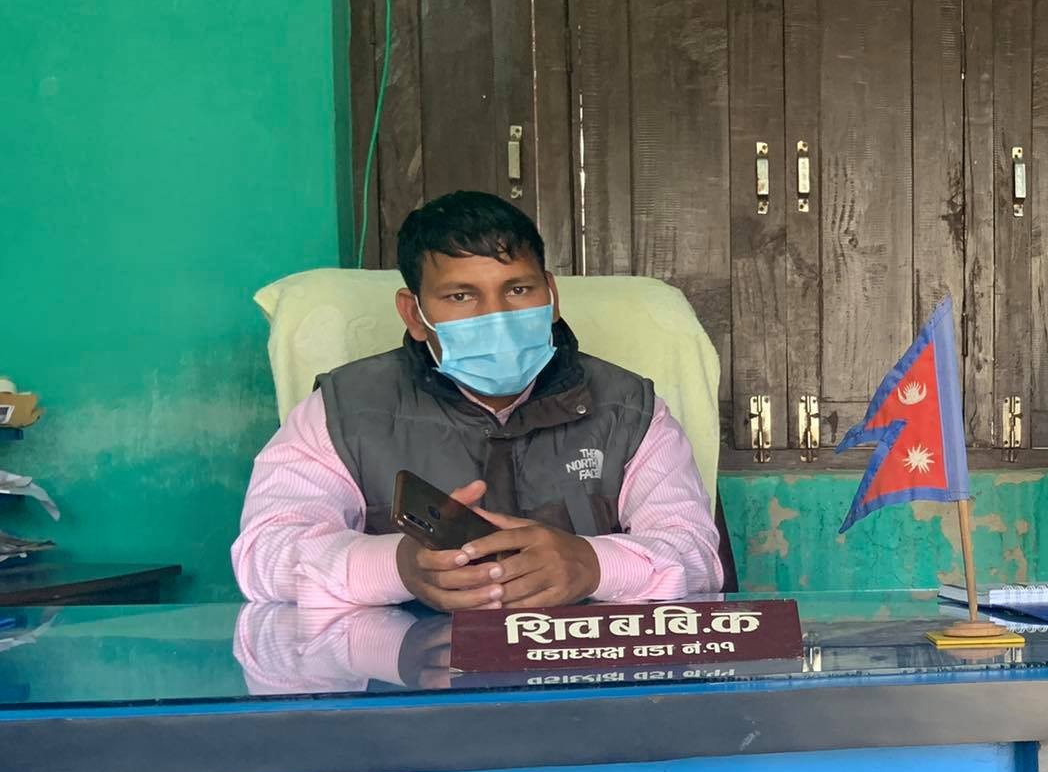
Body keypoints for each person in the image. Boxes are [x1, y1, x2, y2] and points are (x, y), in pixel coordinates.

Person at [234, 191, 724, 611]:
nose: (497, 315)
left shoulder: (629, 409)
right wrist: (401, 568)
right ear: (414, 313)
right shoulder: (343, 409)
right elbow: (264, 555)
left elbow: (696, 554)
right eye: (461, 297)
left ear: (551, 296)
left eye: (518, 289)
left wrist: (591, 564)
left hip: (585, 682)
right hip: (404, 688)